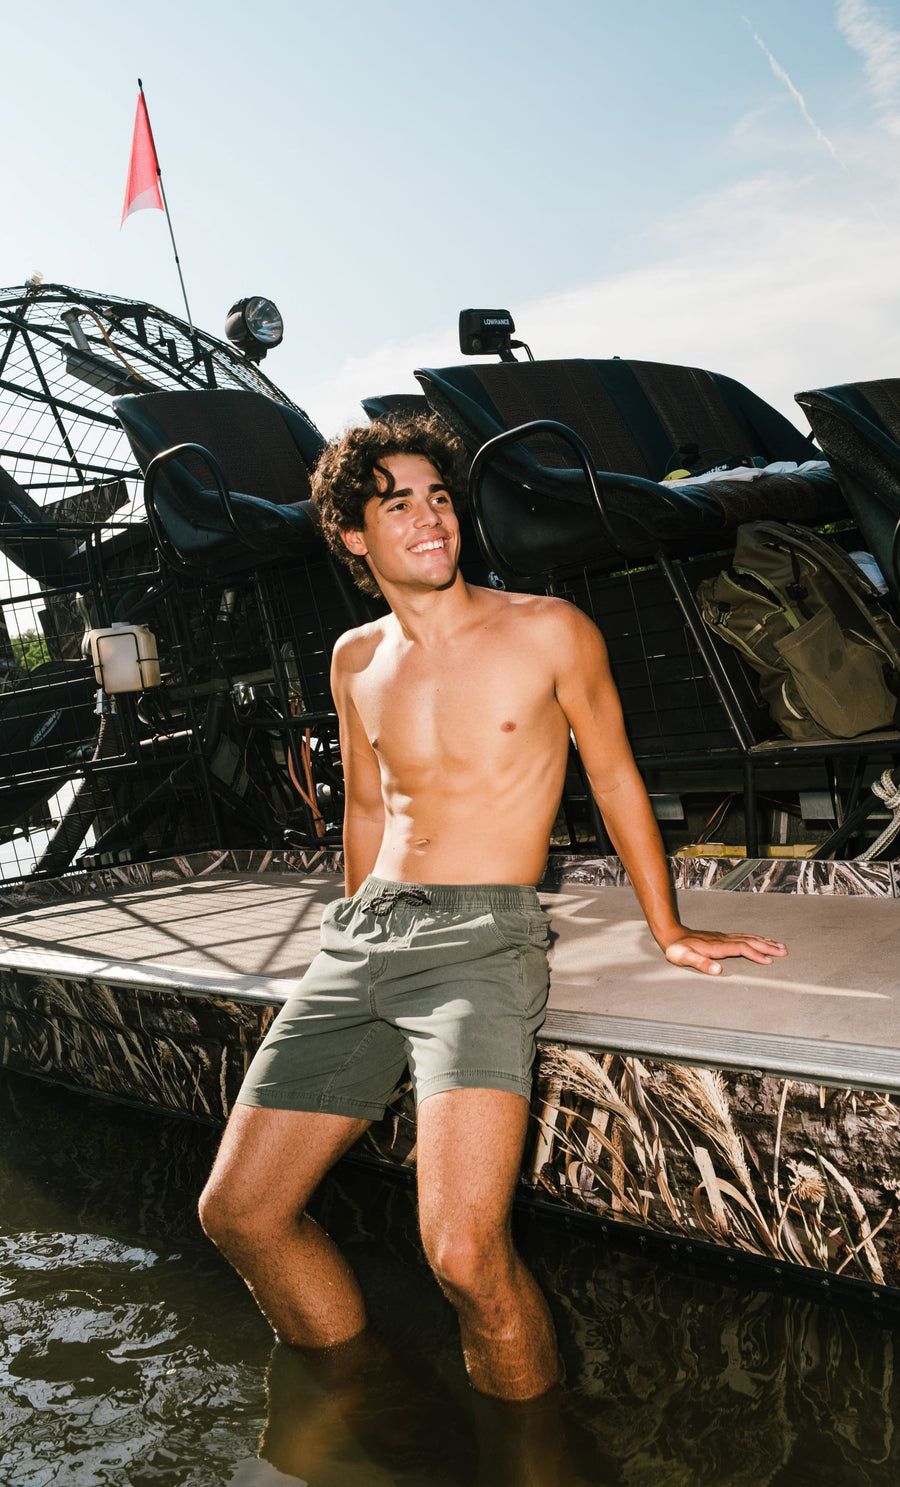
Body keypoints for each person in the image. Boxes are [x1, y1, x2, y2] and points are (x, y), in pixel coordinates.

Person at [199, 413, 787, 1404]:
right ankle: (362, 1407)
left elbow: (614, 776)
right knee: (242, 1211)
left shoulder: (548, 628)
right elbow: (369, 806)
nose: (432, 518)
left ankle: (537, 1461)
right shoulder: (353, 658)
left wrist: (670, 926)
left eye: (440, 496)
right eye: (400, 503)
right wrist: (346, 936)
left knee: (465, 1254)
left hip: (480, 939)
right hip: (368, 933)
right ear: (352, 535)